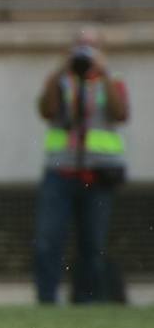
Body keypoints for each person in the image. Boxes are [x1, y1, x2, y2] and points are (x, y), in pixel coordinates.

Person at [34, 29, 129, 304]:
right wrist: (60, 71)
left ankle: (86, 299)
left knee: (93, 243)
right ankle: (46, 299)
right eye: (80, 45)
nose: (85, 52)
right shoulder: (61, 80)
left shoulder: (112, 81)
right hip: (60, 171)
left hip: (99, 173)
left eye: (92, 46)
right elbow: (46, 110)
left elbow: (120, 112)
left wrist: (104, 73)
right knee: (47, 240)